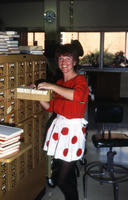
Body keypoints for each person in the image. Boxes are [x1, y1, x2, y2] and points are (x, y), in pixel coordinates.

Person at [37, 43, 89, 200]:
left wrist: (51, 86)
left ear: (74, 62)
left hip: (72, 132)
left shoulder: (80, 81)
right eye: (60, 59)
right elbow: (51, 107)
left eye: (68, 58)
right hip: (59, 129)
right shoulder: (60, 83)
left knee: (61, 178)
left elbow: (77, 96)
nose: (64, 62)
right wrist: (37, 94)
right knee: (67, 175)